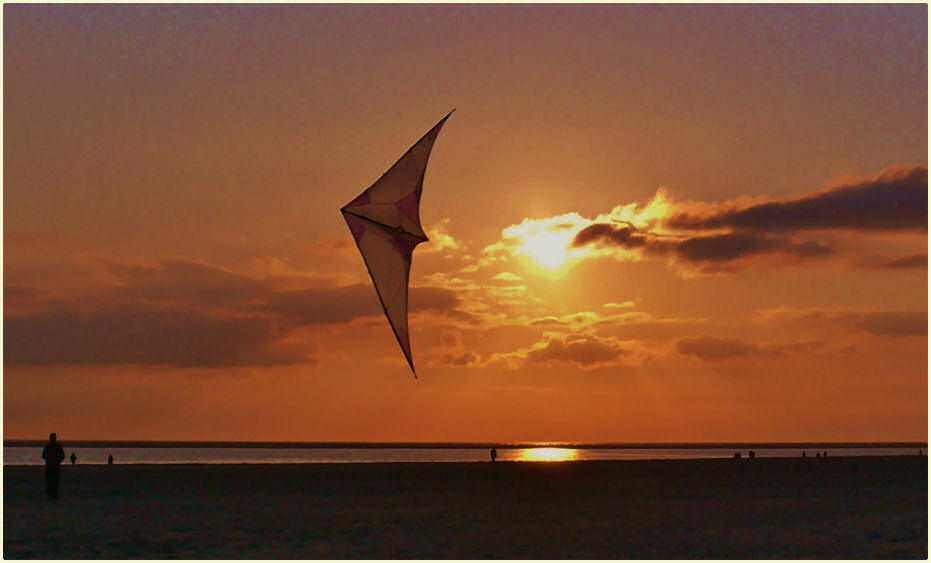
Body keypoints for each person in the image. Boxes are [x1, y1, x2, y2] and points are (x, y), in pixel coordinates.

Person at [41, 433, 66, 500]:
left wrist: (57, 461)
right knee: (51, 481)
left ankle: (52, 495)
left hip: (53, 466)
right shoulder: (49, 446)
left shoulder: (53, 446)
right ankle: (51, 495)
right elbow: (43, 455)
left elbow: (62, 456)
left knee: (53, 481)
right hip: (51, 466)